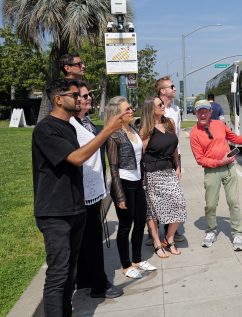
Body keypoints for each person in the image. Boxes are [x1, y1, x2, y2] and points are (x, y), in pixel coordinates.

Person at [32, 79, 125, 317]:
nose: (81, 98)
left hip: (76, 208)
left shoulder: (71, 128)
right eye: (75, 95)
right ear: (59, 99)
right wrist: (107, 130)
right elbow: (76, 158)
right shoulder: (46, 129)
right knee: (58, 274)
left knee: (69, 271)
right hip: (55, 213)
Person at [189, 99, 242, 251]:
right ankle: (211, 230)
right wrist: (219, 162)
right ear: (196, 113)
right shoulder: (194, 133)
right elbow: (200, 159)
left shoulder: (219, 125)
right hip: (212, 172)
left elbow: (236, 139)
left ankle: (237, 233)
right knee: (211, 204)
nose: (203, 113)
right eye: (199, 110)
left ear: (211, 112)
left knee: (233, 202)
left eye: (206, 110)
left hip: (229, 168)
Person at [69, 81, 122, 298]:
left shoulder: (88, 123)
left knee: (88, 236)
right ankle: (99, 285)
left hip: (93, 188)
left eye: (90, 94)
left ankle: (84, 279)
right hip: (82, 190)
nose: (88, 98)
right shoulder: (72, 126)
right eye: (84, 95)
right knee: (91, 239)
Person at [106, 96, 157, 279]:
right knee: (126, 225)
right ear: (117, 114)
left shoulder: (133, 129)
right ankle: (126, 265)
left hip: (137, 184)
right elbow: (112, 166)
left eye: (130, 108)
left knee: (140, 222)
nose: (131, 111)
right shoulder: (113, 135)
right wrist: (119, 195)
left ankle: (137, 259)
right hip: (124, 184)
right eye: (127, 109)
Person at [140, 96, 186, 257]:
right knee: (152, 210)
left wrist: (177, 166)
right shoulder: (146, 130)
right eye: (159, 105)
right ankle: (157, 242)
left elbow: (174, 147)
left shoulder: (169, 123)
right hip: (152, 173)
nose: (163, 106)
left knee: (179, 203)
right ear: (150, 109)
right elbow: (141, 154)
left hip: (169, 170)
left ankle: (169, 238)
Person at [154, 76, 185, 243]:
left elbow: (177, 135)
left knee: (173, 194)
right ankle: (154, 232)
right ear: (162, 91)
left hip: (174, 155)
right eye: (171, 86)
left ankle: (170, 231)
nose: (174, 88)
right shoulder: (153, 108)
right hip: (156, 157)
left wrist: (178, 163)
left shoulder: (175, 109)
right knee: (156, 195)